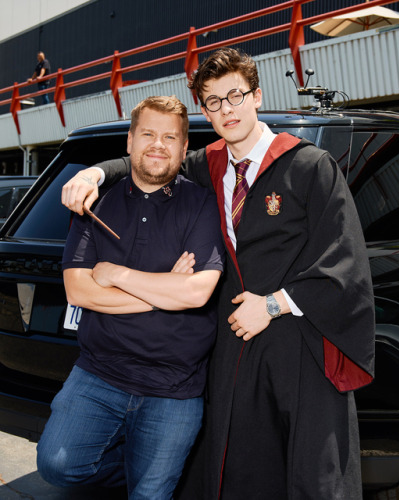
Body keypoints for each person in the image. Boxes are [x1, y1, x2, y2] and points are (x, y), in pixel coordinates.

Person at [61, 48, 375, 499]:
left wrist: (271, 306)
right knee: (239, 467)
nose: (226, 110)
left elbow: (344, 258)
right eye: (213, 101)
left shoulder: (308, 166)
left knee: (307, 472)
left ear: (257, 96)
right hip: (234, 346)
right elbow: (150, 163)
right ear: (205, 111)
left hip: (298, 342)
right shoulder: (207, 166)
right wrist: (92, 173)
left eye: (235, 96)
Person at [37, 95, 225, 499]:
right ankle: (132, 460)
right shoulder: (94, 203)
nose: (158, 145)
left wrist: (117, 275)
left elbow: (195, 292)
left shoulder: (202, 205)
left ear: (184, 147)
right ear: (129, 141)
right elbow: (78, 290)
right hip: (98, 374)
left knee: (150, 495)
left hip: (174, 386)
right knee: (56, 465)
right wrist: (161, 291)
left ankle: (147, 466)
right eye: (148, 134)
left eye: (170, 137)